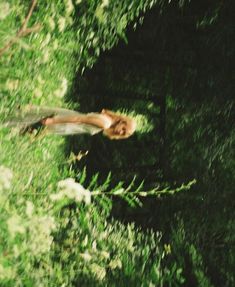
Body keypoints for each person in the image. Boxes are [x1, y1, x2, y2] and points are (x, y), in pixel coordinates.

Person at [3, 106, 136, 140]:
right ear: (123, 121)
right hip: (64, 123)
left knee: (30, 119)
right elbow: (80, 119)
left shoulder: (108, 118)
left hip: (65, 122)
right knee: (28, 122)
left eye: (124, 134)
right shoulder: (105, 123)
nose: (121, 132)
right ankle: (4, 122)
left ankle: (6, 118)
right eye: (124, 129)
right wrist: (53, 120)